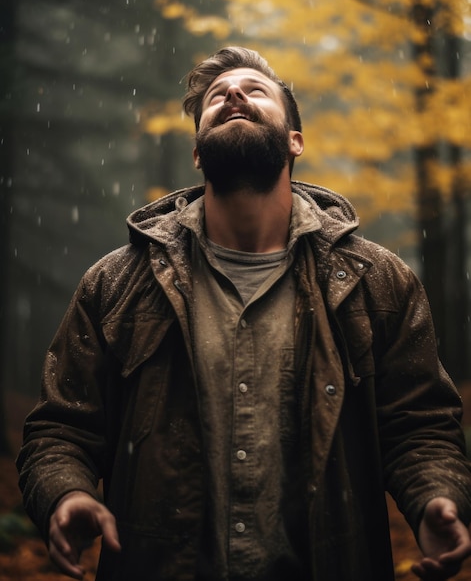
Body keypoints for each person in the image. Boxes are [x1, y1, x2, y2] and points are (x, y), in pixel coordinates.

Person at [16, 46, 471, 581]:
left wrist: (436, 496)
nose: (233, 94)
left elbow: (420, 426)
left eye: (255, 90)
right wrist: (64, 491)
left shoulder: (377, 282)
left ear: (295, 140)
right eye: (217, 97)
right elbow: (60, 428)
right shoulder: (117, 283)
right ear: (197, 152)